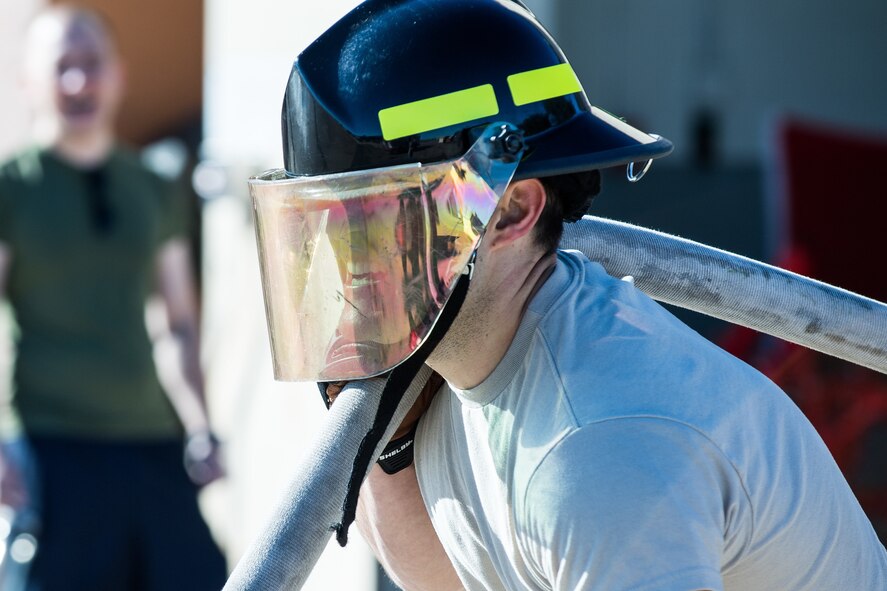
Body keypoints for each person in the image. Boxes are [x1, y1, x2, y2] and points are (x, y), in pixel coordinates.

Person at [248, 0, 887, 589]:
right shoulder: (465, 365)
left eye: (374, 223)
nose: (344, 266)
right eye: (329, 229)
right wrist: (386, 446)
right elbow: (451, 581)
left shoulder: (601, 445)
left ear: (511, 211)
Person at [0, 6, 227, 590]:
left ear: (118, 74)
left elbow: (176, 323)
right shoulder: (11, 189)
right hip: (52, 449)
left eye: (91, 63)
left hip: (152, 444)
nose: (79, 80)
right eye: (62, 67)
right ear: (28, 82)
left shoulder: (152, 187)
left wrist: (200, 426)